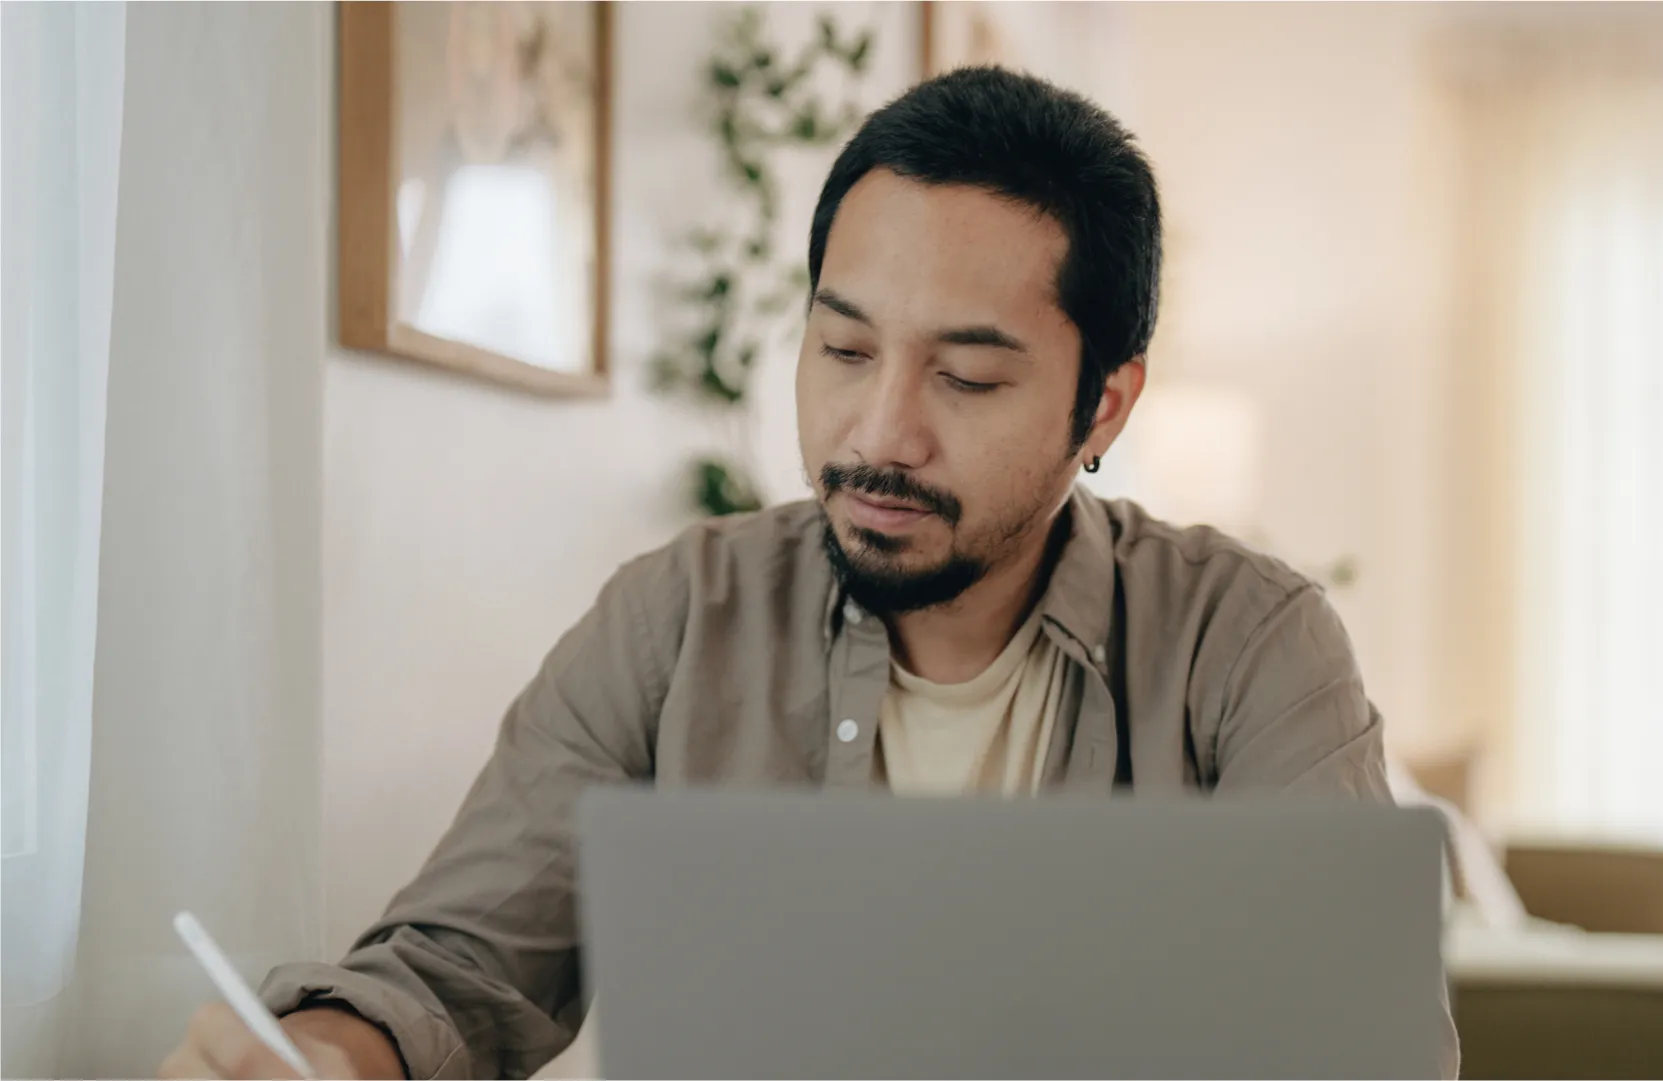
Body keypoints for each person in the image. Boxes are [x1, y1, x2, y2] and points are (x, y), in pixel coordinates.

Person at [161, 67, 1457, 1079]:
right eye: (843, 350)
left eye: (967, 377)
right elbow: (455, 977)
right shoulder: (681, 618)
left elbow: (1353, 1050)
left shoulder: (1249, 650)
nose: (878, 434)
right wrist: (333, 1054)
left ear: (1104, 406)